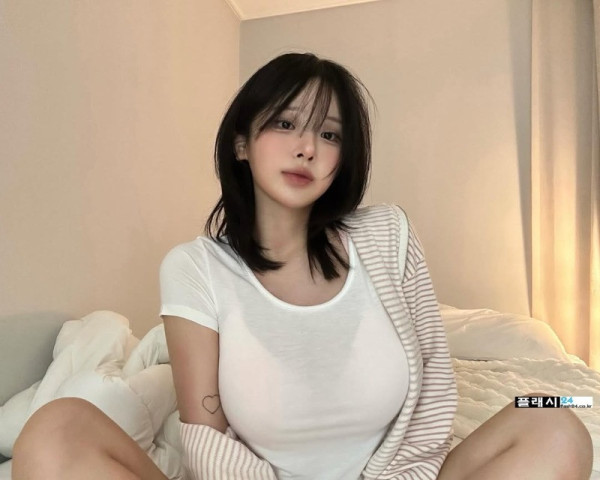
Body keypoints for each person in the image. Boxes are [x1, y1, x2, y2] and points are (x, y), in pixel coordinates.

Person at [12, 53, 592, 480]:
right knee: (56, 427)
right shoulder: (196, 267)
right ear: (242, 143)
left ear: (343, 158)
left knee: (556, 415)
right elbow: (207, 437)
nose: (307, 147)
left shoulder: (389, 236)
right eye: (285, 123)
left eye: (329, 134)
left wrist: (580, 395)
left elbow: (435, 386)